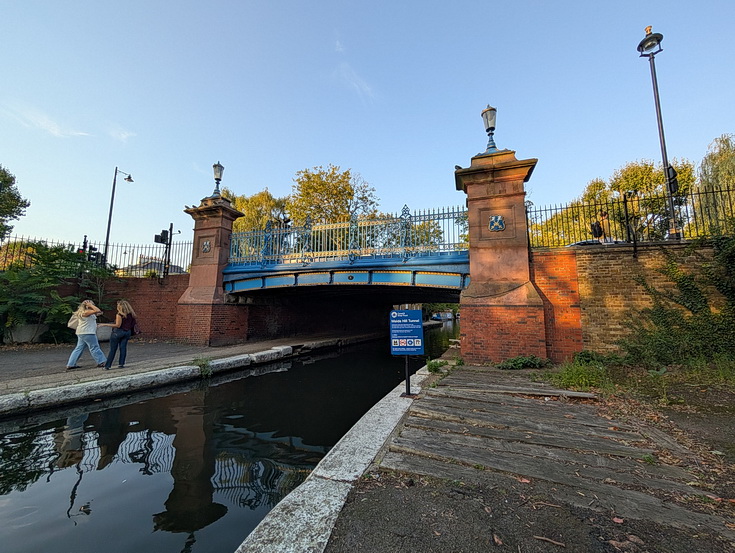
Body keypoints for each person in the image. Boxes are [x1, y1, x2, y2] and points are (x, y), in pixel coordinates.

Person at [66, 300, 107, 369]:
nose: (93, 305)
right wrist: (90, 305)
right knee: (94, 347)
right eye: (92, 304)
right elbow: (97, 310)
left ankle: (71, 363)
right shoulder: (86, 312)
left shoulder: (85, 312)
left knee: (79, 348)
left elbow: (99, 312)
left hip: (82, 332)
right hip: (88, 332)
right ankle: (101, 361)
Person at [100, 300, 137, 370]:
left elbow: (118, 325)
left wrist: (105, 324)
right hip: (127, 332)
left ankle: (107, 365)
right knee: (123, 348)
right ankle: (121, 363)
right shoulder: (131, 314)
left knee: (113, 349)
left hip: (118, 332)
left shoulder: (119, 315)